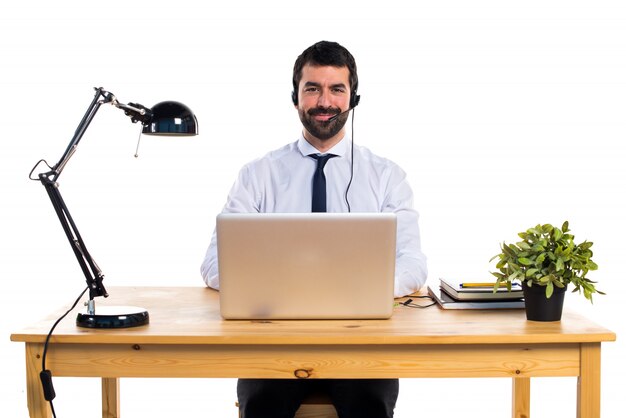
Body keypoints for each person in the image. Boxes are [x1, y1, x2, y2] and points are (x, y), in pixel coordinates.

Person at [201, 40, 427, 418]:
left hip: (360, 344)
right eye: (313, 89)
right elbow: (213, 264)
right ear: (295, 97)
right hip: (274, 342)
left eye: (337, 89)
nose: (325, 101)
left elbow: (413, 262)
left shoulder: (386, 175)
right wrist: (272, 290)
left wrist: (367, 293)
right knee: (261, 408)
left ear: (353, 99)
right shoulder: (258, 175)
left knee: (369, 408)